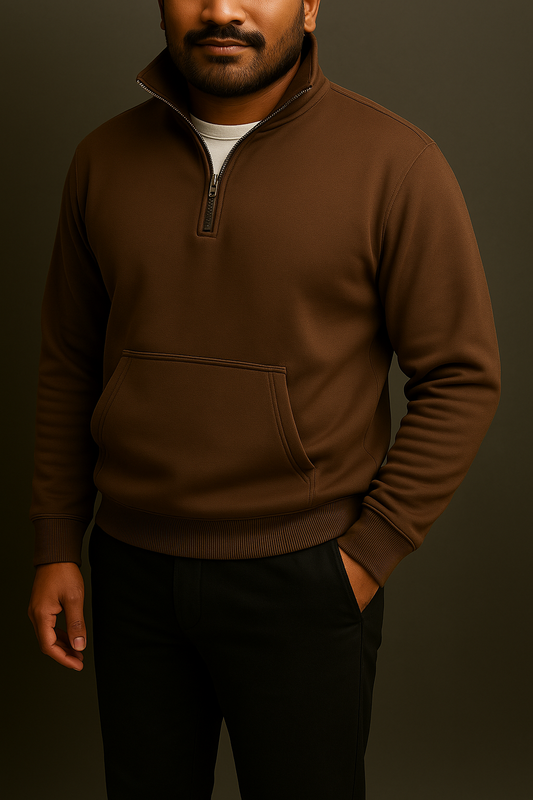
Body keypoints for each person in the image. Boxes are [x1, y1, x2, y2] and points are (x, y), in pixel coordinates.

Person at [27, 1, 500, 798]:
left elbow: (461, 374)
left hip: (304, 575)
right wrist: (55, 543)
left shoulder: (395, 163)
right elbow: (69, 361)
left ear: (310, 6)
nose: (221, 9)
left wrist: (366, 556)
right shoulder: (102, 158)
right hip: (131, 571)